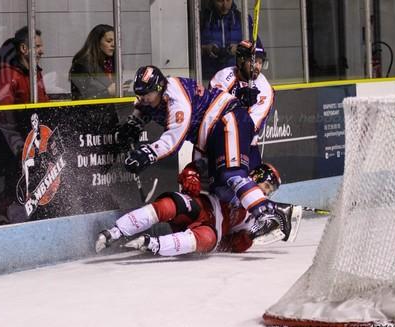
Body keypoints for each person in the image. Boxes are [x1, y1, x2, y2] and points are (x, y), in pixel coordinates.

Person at [117, 65, 279, 229]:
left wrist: (147, 154)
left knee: (232, 174)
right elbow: (143, 106)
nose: (143, 98)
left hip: (226, 121)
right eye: (140, 94)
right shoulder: (154, 95)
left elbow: (173, 141)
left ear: (159, 88)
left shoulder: (177, 102)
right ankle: (237, 225)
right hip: (210, 134)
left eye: (146, 94)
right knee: (216, 189)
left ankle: (268, 212)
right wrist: (134, 123)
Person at [95, 163, 300, 256]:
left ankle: (152, 244)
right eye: (266, 187)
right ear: (256, 177)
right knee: (168, 206)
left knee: (207, 240)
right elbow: (198, 167)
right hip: (202, 206)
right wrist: (190, 174)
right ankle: (116, 231)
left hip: (211, 231)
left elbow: (230, 245)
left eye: (270, 191)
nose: (266, 193)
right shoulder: (234, 175)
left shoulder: (255, 217)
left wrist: (247, 239)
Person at [0, 26, 49, 226]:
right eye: (37, 46)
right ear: (24, 48)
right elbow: (4, 114)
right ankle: (5, 212)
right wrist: (19, 146)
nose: (42, 50)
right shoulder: (8, 73)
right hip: (5, 143)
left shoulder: (34, 72)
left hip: (25, 140)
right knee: (15, 183)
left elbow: (43, 103)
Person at [209, 40, 274, 170]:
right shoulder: (222, 77)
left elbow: (252, 127)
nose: (257, 67)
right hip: (220, 142)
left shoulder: (265, 88)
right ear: (240, 61)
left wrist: (243, 109)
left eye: (260, 62)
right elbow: (212, 113)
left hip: (248, 147)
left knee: (252, 186)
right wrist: (238, 102)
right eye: (253, 61)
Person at [69, 24, 117, 99]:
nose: (113, 44)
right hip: (92, 109)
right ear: (97, 42)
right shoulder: (82, 65)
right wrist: (108, 92)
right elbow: (80, 98)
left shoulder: (113, 63)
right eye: (109, 41)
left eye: (116, 41)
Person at [200, 0, 242, 81]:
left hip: (235, 76)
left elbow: (256, 49)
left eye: (228, 0)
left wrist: (239, 48)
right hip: (208, 77)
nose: (225, 5)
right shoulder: (201, 19)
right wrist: (205, 49)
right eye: (220, 1)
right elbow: (188, 51)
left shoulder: (241, 18)